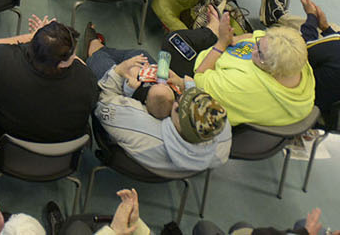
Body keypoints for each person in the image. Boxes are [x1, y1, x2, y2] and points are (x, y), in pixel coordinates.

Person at [88, 48, 232, 177]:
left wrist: (118, 71)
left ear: (178, 122)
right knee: (141, 55)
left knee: (100, 58)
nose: (176, 99)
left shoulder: (139, 125)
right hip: (169, 169)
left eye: (178, 103)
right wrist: (181, 83)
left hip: (128, 149)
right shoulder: (220, 130)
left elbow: (103, 101)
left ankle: (97, 47)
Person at [173, 15, 314, 128]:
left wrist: (221, 43)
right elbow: (255, 35)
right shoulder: (295, 59)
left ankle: (211, 29)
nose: (254, 49)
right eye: (258, 43)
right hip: (223, 50)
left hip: (204, 66)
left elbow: (199, 77)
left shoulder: (242, 87)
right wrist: (231, 39)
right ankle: (212, 29)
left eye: (259, 53)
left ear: (273, 70)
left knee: (174, 41)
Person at [0, 17, 97, 141]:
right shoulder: (86, 80)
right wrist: (63, 51)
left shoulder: (1, 60)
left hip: (8, 143)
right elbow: (82, 66)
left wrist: (33, 37)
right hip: (64, 149)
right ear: (62, 63)